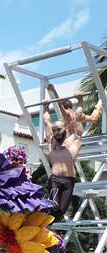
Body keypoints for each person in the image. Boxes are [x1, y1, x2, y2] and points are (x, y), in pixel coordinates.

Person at [43, 84, 103, 221]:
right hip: (58, 171)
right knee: (54, 206)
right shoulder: (56, 134)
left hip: (71, 145)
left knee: (61, 212)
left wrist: (81, 101)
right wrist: (49, 102)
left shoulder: (69, 118)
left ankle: (48, 224)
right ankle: (43, 220)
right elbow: (48, 121)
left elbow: (73, 118)